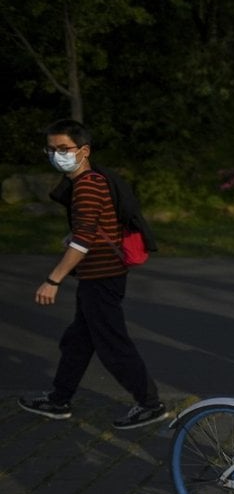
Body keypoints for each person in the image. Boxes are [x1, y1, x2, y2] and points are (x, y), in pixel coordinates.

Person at [18, 119, 167, 430]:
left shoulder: (87, 184)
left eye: (63, 149)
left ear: (83, 150)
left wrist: (53, 279)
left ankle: (150, 404)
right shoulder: (91, 182)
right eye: (51, 149)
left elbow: (84, 239)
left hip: (102, 278)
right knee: (78, 342)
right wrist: (73, 238)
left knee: (112, 345)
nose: (56, 154)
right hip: (99, 276)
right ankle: (59, 400)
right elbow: (94, 228)